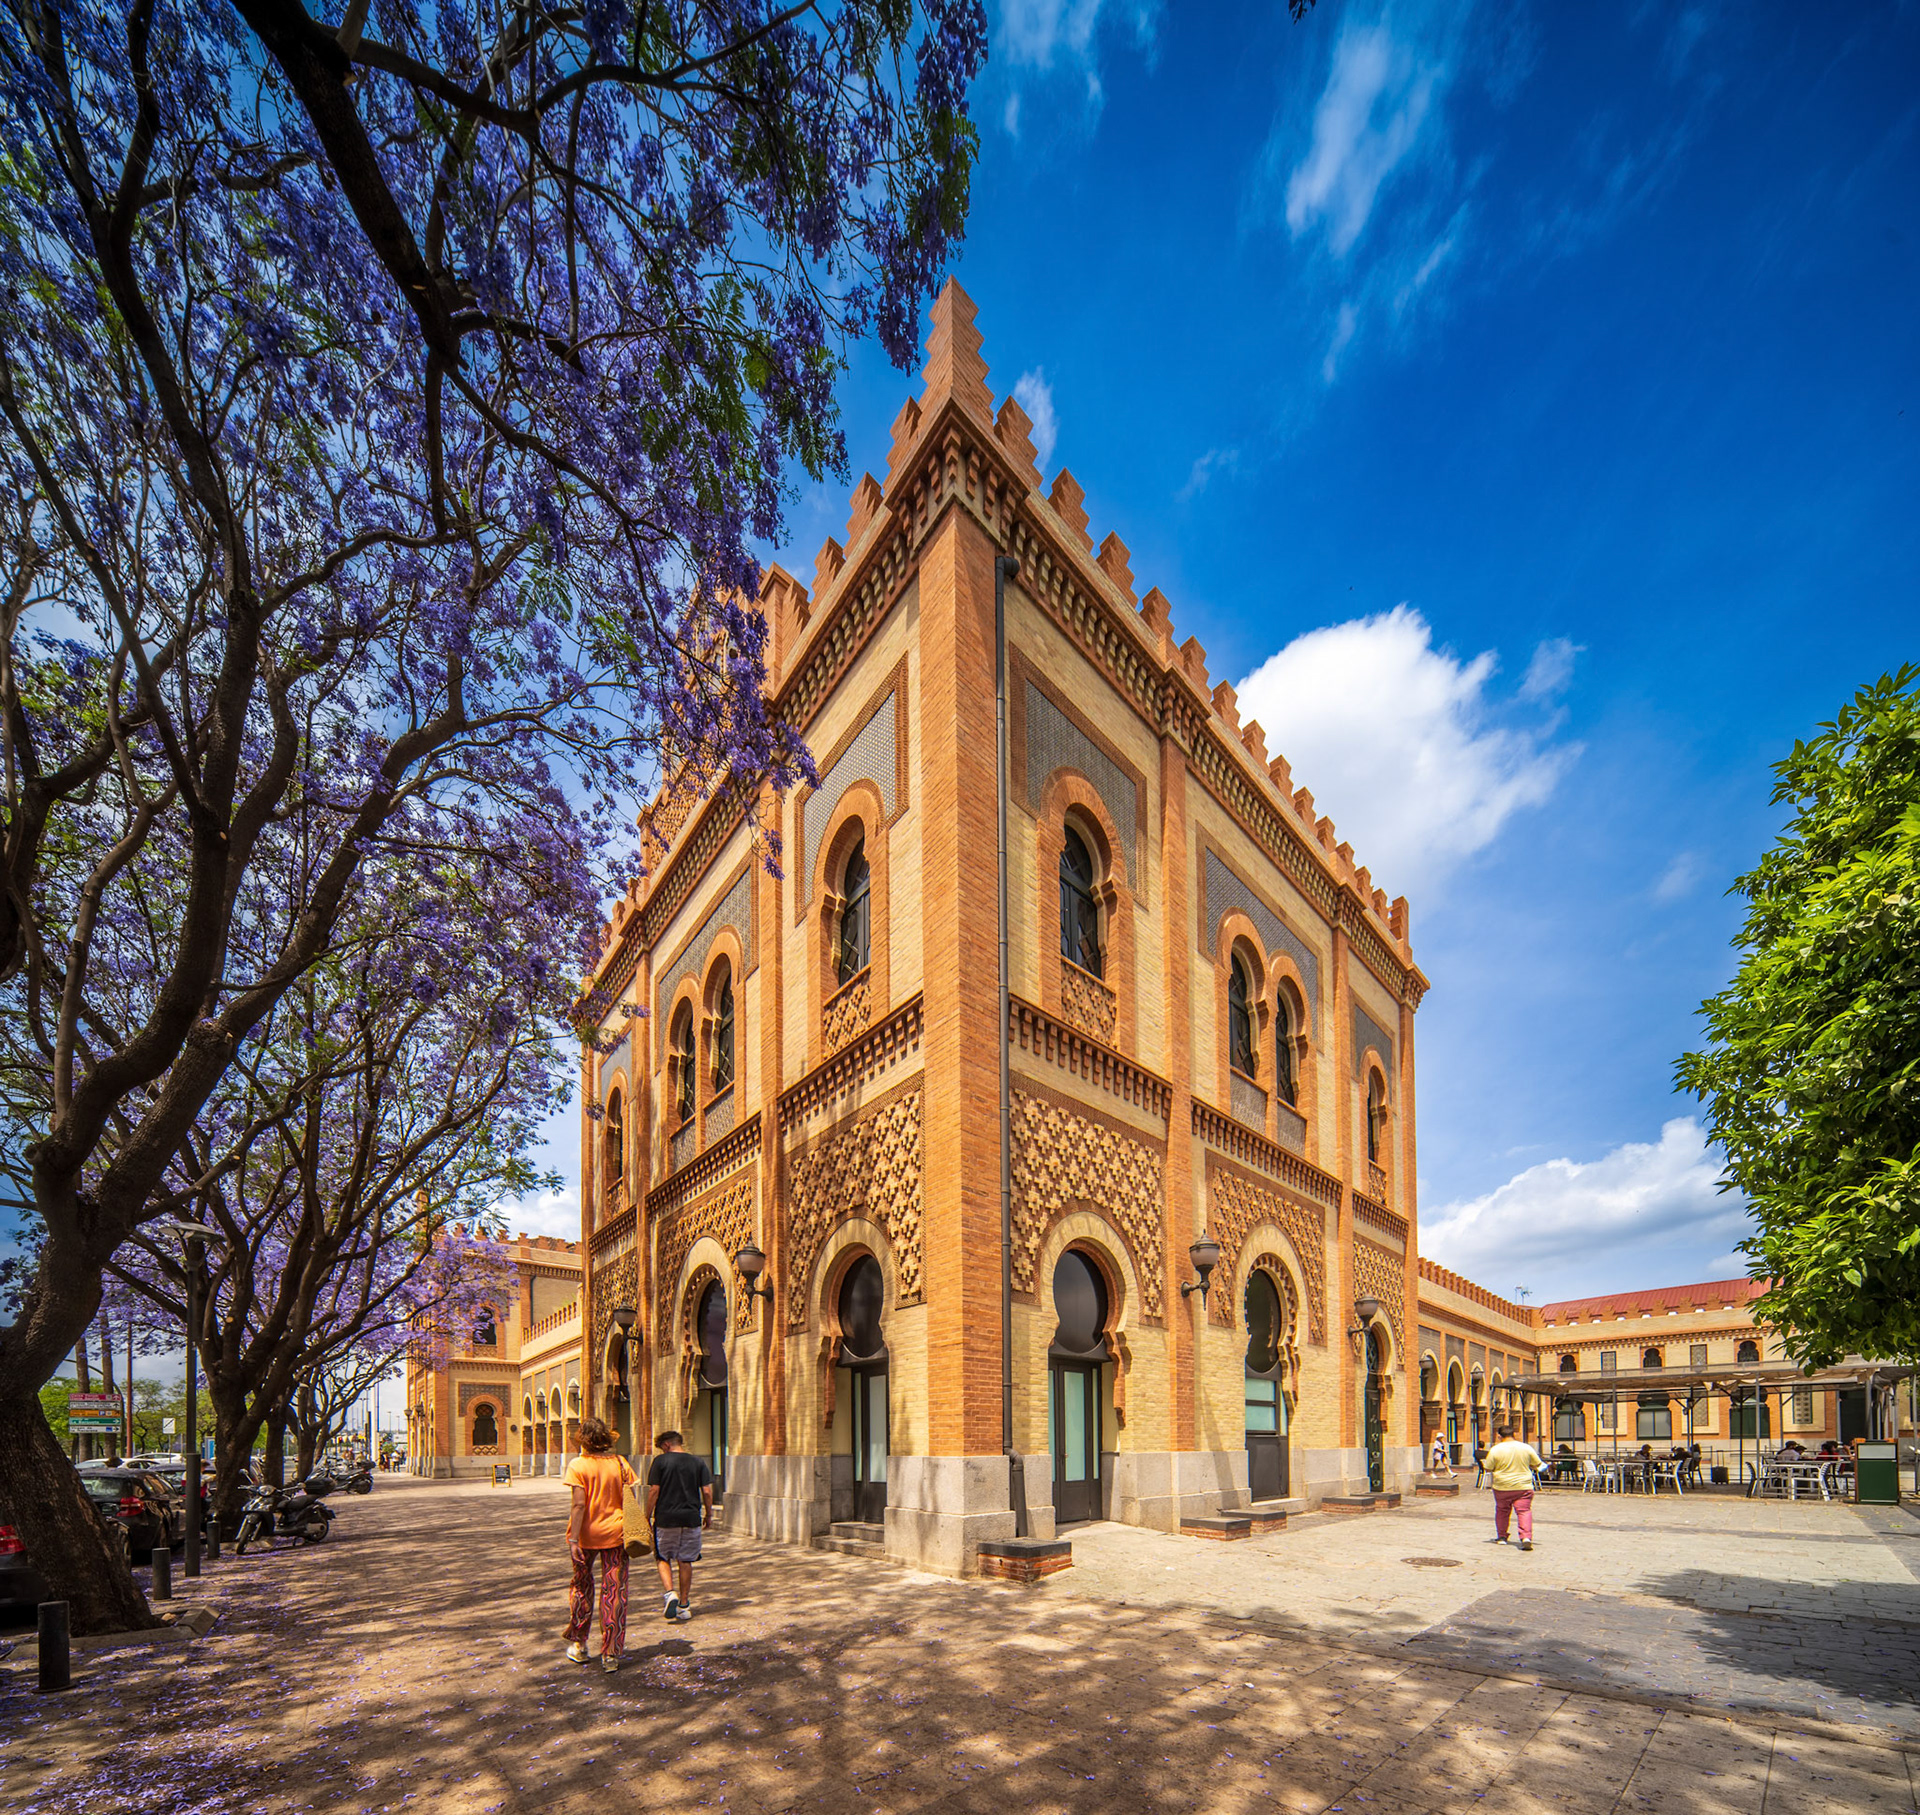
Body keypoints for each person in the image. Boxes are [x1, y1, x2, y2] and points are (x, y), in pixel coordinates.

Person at [562, 1416, 638, 1674]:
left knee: (582, 1587)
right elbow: (630, 1497)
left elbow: (578, 1505)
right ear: (605, 1438)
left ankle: (580, 1646)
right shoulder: (620, 1463)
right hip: (616, 1534)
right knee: (615, 1591)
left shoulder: (578, 1465)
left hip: (585, 1536)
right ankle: (611, 1653)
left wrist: (573, 1538)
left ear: (582, 1439)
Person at [646, 1430, 714, 1622]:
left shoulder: (660, 1462)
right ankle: (684, 1605)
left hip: (666, 1518)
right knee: (686, 1560)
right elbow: (707, 1491)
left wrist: (646, 1515)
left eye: (661, 1448)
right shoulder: (698, 1462)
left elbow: (654, 1491)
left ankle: (670, 1593)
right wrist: (708, 1514)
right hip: (691, 1518)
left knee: (662, 1556)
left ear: (666, 1445)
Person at [1484, 1423, 1546, 1550]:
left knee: (1502, 1511)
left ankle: (1502, 1537)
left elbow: (1488, 1468)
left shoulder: (1495, 1450)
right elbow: (1537, 1464)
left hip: (1502, 1486)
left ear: (1499, 1436)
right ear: (1514, 1434)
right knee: (1524, 1511)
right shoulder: (1526, 1448)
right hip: (1523, 1485)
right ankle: (1526, 1537)